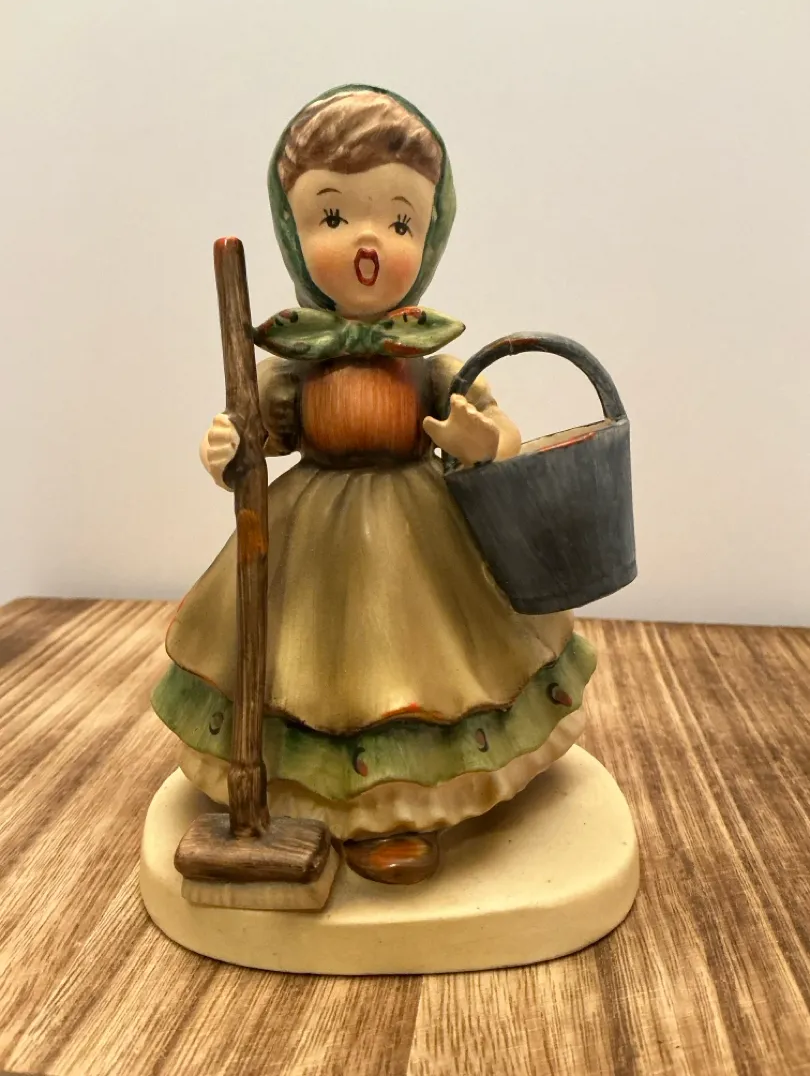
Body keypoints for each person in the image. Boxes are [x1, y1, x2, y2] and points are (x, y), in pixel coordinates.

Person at [152, 85, 596, 885]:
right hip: (314, 544)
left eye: (398, 221)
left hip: (423, 538)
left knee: (427, 667)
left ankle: (406, 806)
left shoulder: (428, 363)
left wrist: (480, 442)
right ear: (294, 236)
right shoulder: (296, 367)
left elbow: (500, 429)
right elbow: (257, 438)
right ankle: (322, 799)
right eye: (332, 216)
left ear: (429, 235)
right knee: (318, 672)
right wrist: (230, 448)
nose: (368, 241)